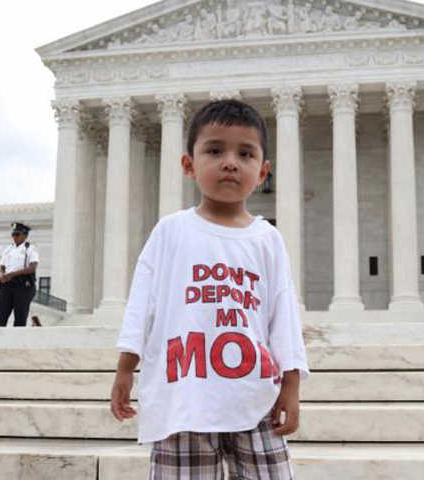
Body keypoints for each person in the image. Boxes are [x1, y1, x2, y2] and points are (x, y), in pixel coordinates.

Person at [110, 100, 309, 479]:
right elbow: (142, 303)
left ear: (263, 171)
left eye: (245, 153)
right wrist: (125, 368)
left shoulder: (267, 239)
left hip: (255, 393)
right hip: (184, 392)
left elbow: (283, 313)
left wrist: (292, 383)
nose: (230, 162)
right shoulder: (171, 231)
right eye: (215, 150)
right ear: (189, 165)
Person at [0, 222, 39, 327]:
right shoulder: (8, 249)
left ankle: (17, 342)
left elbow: (32, 268)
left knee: (20, 318)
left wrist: (13, 274)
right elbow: (2, 266)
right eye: (13, 234)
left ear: (25, 235)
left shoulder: (30, 248)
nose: (14, 237)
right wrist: (1, 275)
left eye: (17, 234)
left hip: (23, 285)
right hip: (7, 285)